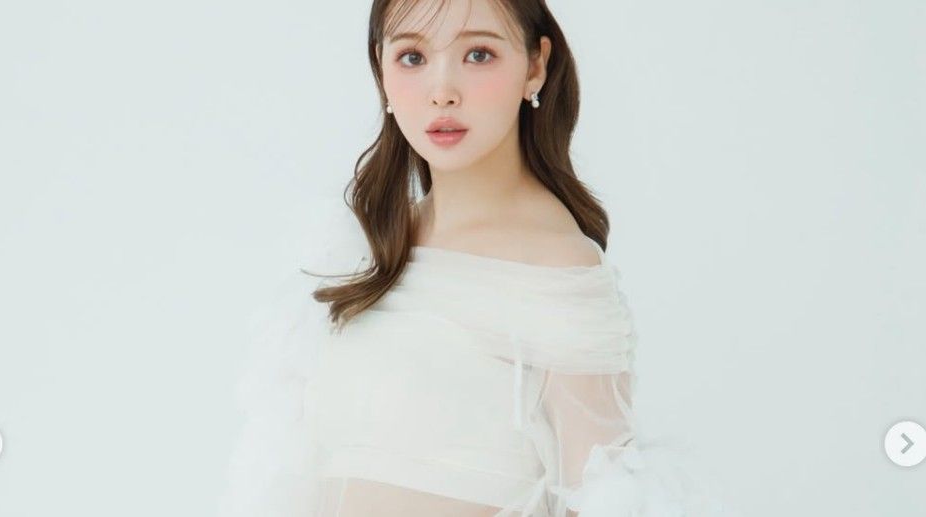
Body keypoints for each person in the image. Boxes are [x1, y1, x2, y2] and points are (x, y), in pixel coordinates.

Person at [220, 1, 732, 515]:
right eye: (413, 57)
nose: (442, 91)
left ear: (535, 66)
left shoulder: (556, 267)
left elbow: (607, 497)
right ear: (381, 68)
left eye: (479, 54)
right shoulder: (363, 248)